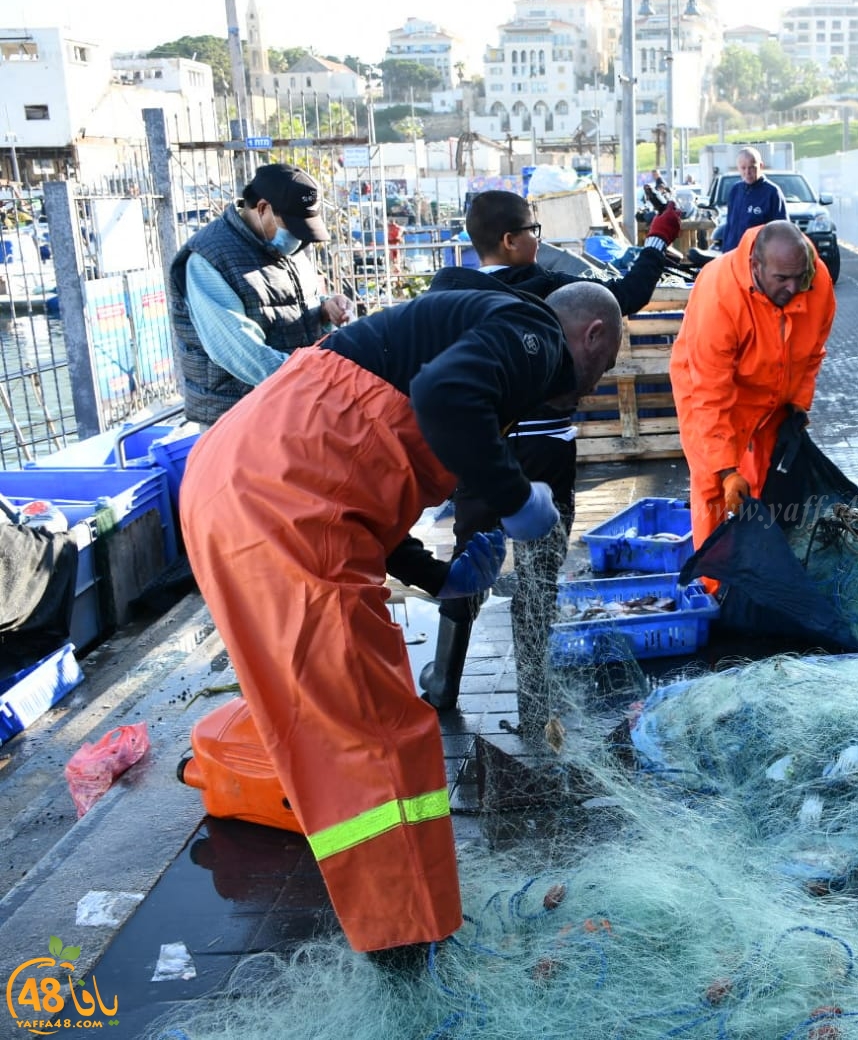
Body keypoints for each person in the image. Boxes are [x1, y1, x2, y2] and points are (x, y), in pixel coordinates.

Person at [179, 279, 622, 962]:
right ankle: (408, 948)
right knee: (373, 737)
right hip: (279, 504)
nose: (591, 386)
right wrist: (516, 499)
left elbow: (345, 466)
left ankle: (406, 922)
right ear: (592, 337)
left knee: (337, 724)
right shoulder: (534, 338)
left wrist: (439, 576)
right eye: (604, 366)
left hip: (242, 481)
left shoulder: (451, 330)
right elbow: (443, 400)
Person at [415, 188, 682, 711]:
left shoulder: (443, 292)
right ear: (512, 240)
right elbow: (623, 296)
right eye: (533, 231)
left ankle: (445, 678)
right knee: (539, 571)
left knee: (469, 560)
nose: (539, 240)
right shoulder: (549, 287)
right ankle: (534, 695)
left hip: (479, 449)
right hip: (546, 450)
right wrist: (655, 242)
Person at [671, 220, 836, 559]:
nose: (793, 287)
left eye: (799, 276)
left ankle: (763, 562)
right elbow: (710, 393)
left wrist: (798, 405)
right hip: (707, 387)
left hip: (774, 394)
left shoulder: (817, 282)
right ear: (755, 266)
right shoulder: (719, 294)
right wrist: (727, 470)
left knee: (766, 478)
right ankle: (718, 587)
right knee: (715, 488)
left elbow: (812, 353)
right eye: (782, 279)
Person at [168, 163, 356, 426]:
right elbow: (241, 351)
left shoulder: (284, 247)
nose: (297, 238)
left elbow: (286, 307)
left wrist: (324, 310)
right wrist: (321, 381)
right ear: (263, 208)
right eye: (291, 226)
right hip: (242, 419)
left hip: (294, 404)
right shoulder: (208, 258)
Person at [719, 147, 787, 253]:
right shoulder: (735, 190)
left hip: (758, 258)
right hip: (733, 254)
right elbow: (729, 225)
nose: (747, 172)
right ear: (738, 168)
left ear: (760, 166)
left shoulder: (772, 193)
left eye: (752, 167)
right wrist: (725, 252)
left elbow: (782, 231)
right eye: (743, 168)